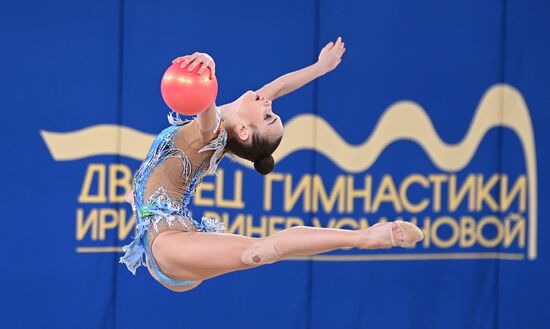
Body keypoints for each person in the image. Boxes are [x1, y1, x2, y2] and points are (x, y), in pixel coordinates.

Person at [120, 37, 423, 292]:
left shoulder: (210, 132)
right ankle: (363, 238)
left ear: (244, 131)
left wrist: (208, 70)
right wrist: (320, 67)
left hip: (169, 246)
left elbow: (204, 110)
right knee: (255, 249)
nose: (268, 103)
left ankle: (366, 238)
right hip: (163, 241)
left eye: (267, 116)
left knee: (259, 251)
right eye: (272, 111)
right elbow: (277, 88)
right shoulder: (231, 122)